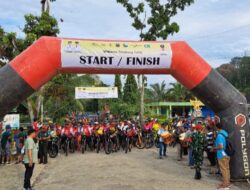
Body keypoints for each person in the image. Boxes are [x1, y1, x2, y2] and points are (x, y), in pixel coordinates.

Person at [213, 123, 230, 190]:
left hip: (222, 155)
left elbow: (221, 146)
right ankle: (227, 183)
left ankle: (225, 186)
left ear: (217, 128)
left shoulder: (219, 135)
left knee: (224, 170)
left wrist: (214, 148)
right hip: (227, 154)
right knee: (227, 169)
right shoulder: (225, 133)